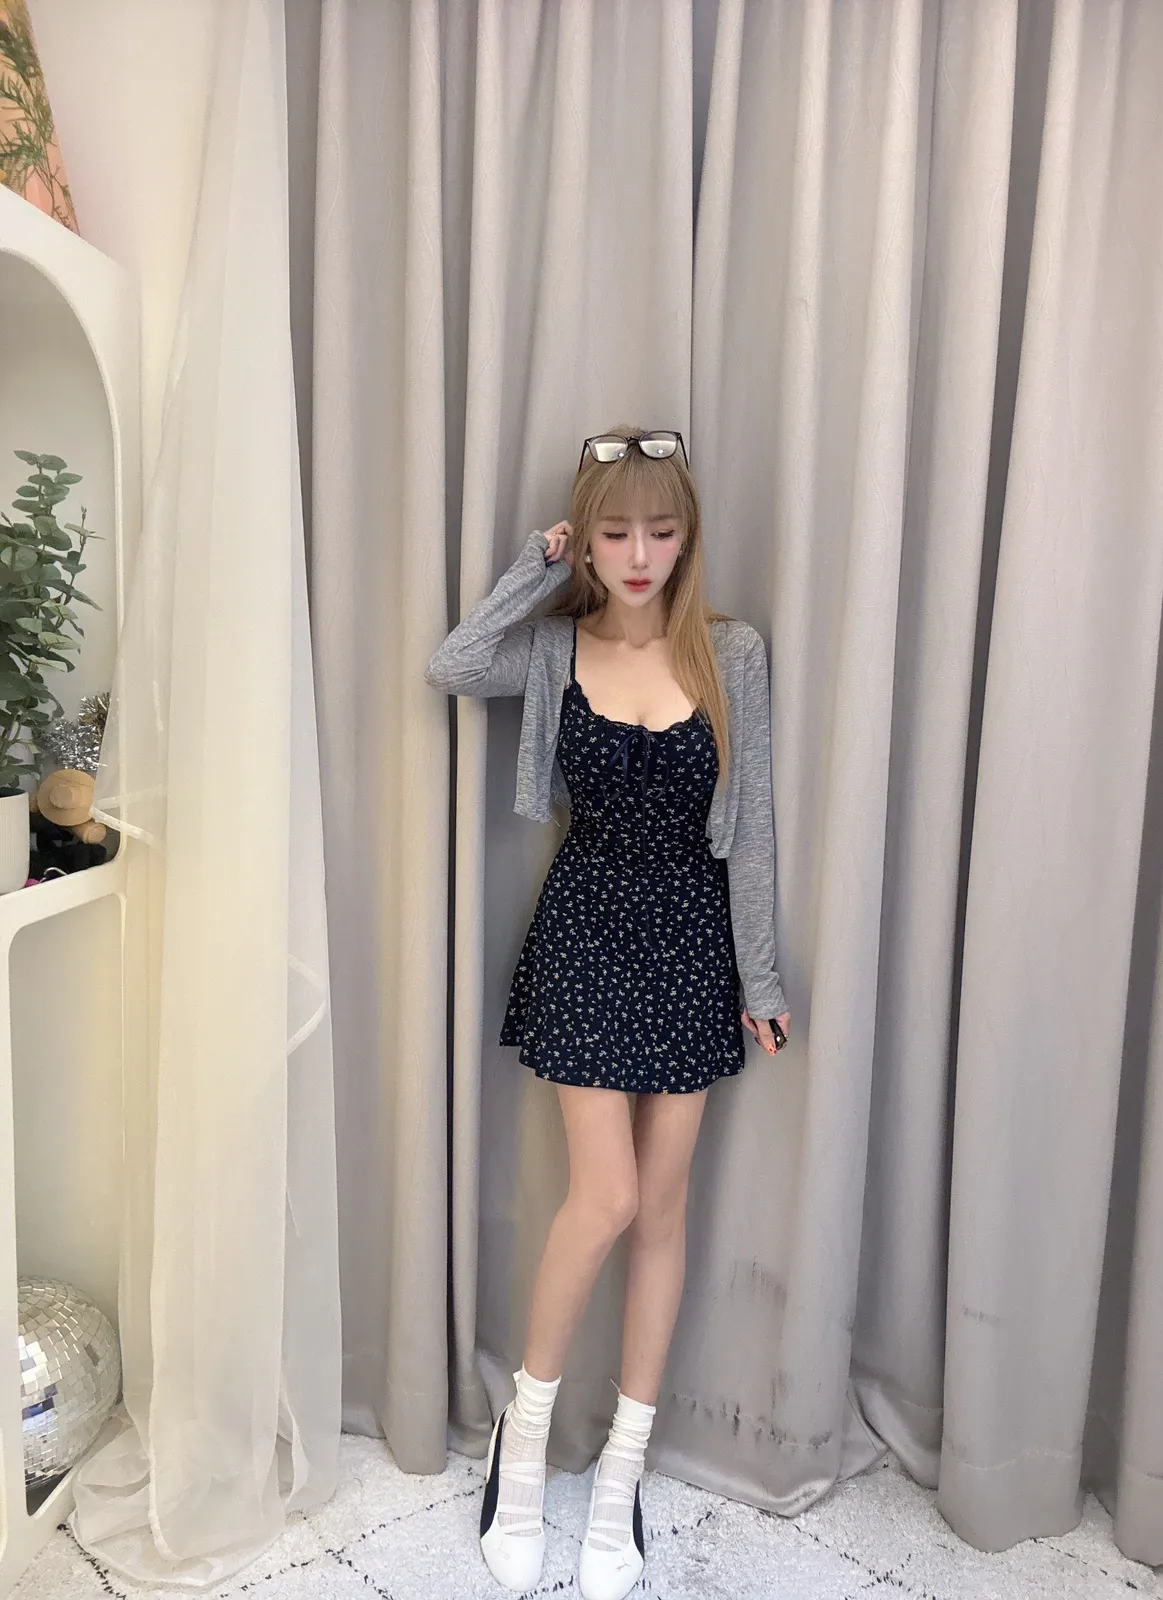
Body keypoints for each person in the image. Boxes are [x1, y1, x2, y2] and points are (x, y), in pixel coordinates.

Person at [424, 424, 790, 1599]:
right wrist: (534, 568)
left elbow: (752, 830)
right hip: (585, 929)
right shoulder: (552, 648)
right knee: (608, 1196)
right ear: (587, 537)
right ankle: (522, 1443)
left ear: (688, 536)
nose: (639, 556)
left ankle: (623, 1468)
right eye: (616, 532)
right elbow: (453, 663)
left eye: (660, 531)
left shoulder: (733, 655)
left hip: (691, 940)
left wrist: (762, 977)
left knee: (663, 1211)